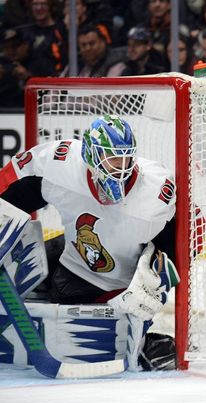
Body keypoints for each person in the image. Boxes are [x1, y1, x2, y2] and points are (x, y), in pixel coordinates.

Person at [0, 114, 179, 372]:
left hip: (106, 282)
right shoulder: (62, 164)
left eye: (127, 157)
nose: (122, 166)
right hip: (70, 251)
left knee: (70, 301)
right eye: (113, 158)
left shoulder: (153, 192)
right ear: (91, 156)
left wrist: (157, 276)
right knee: (21, 259)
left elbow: (188, 235)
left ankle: (143, 341)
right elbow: (16, 181)